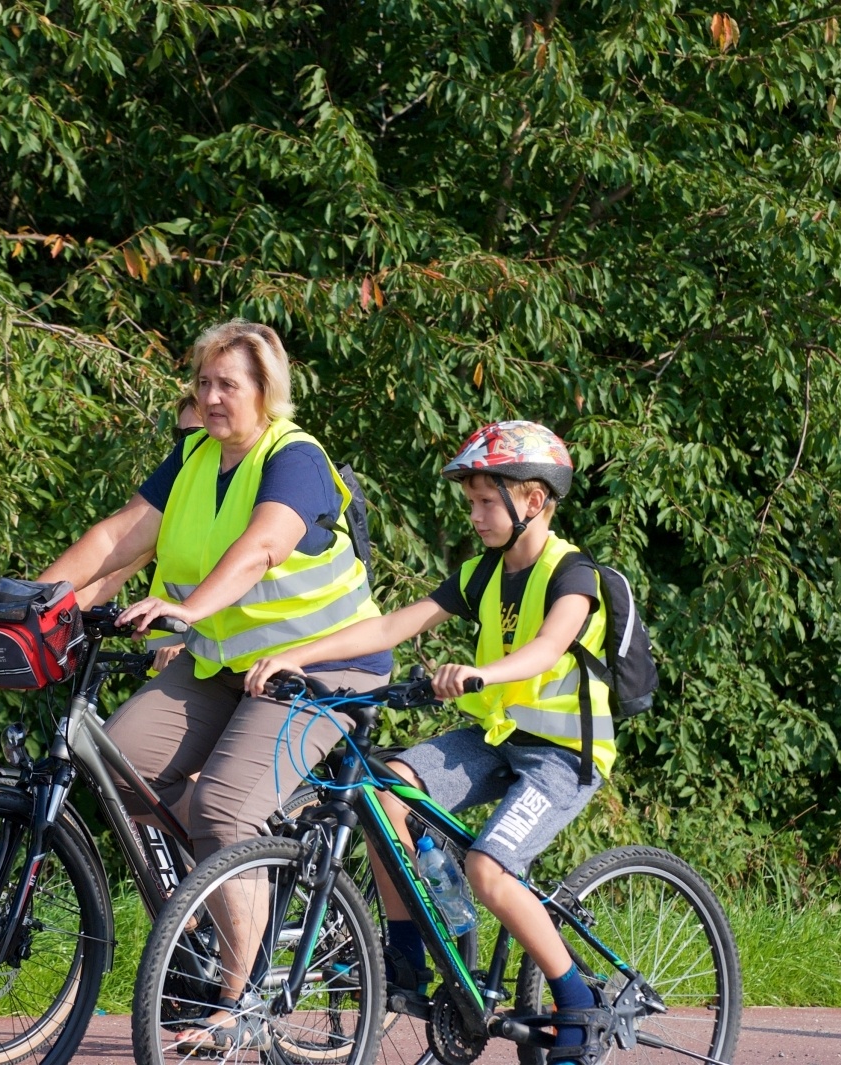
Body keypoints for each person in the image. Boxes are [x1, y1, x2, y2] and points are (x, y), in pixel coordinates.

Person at [38, 319, 391, 1049]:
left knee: (224, 808)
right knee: (120, 764)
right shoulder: (195, 456)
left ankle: (238, 999)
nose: (212, 394)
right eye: (204, 381)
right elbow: (118, 535)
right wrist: (33, 596)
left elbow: (262, 547)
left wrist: (189, 608)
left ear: (268, 391)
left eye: (229, 382)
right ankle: (216, 900)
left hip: (324, 669)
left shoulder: (294, 459)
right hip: (227, 668)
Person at [245, 421, 612, 1062]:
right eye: (469, 502)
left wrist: (479, 674)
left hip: (562, 755)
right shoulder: (484, 573)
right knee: (387, 793)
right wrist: (297, 654)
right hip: (498, 740)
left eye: (484, 502)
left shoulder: (572, 574)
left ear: (532, 501)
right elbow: (394, 624)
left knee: (489, 868)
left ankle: (577, 998)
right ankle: (405, 955)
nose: (473, 514)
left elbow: (547, 648)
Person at [75, 392, 204, 673]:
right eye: (180, 437)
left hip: (240, 665)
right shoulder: (175, 505)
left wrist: (190, 648)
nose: (187, 447)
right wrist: (39, 623)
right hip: (170, 664)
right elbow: (108, 573)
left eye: (196, 435)